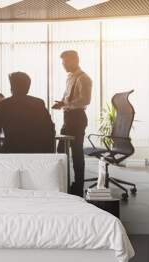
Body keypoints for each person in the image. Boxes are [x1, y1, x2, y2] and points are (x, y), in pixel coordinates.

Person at [52, 50, 92, 197]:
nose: (63, 65)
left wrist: (66, 105)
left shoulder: (84, 78)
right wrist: (62, 104)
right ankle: (65, 182)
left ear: (75, 60)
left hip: (77, 118)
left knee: (76, 153)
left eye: (65, 62)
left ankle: (78, 185)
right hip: (68, 118)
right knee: (61, 150)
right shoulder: (70, 77)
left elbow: (85, 100)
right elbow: (68, 98)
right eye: (62, 62)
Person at [0, 72, 55, 153]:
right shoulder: (38, 104)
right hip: (35, 152)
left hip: (10, 152)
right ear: (28, 88)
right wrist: (47, 152)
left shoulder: (2, 105)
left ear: (12, 87)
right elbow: (49, 130)